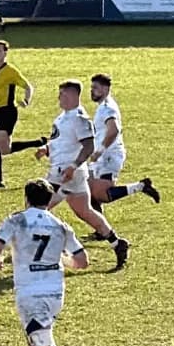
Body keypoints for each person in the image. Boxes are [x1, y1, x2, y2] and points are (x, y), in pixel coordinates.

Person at [0, 181, 91, 346]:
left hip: (30, 295)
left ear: (26, 198)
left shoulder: (17, 220)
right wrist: (59, 261)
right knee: (35, 342)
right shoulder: (60, 226)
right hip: (55, 294)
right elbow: (82, 261)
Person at [35, 81, 131, 270]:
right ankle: (117, 243)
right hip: (64, 171)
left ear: (72, 96)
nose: (58, 98)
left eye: (61, 94)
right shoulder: (62, 117)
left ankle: (41, 247)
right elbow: (61, 141)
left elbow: (88, 146)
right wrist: (46, 149)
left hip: (67, 173)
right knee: (85, 212)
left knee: (37, 207)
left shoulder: (80, 118)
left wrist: (73, 165)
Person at [0, 40, 43, 191]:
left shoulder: (10, 71)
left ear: (5, 53)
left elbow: (28, 86)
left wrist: (26, 100)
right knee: (4, 149)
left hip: (8, 111)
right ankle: (38, 142)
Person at [86, 73, 161, 209]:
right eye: (91, 87)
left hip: (109, 155)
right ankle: (102, 230)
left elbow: (113, 130)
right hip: (102, 156)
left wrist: (100, 151)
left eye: (95, 88)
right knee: (89, 193)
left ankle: (141, 186)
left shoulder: (107, 108)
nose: (91, 91)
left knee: (101, 194)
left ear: (105, 89)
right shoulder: (103, 106)